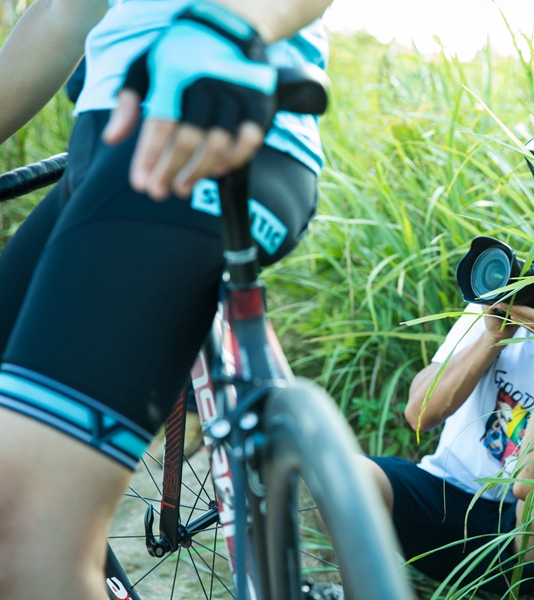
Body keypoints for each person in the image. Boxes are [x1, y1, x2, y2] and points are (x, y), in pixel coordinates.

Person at [0, 0, 332, 597]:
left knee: (19, 534)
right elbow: (63, 10)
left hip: (202, 126)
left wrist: (229, 26)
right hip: (107, 138)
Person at [363, 244, 534, 598]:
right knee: (352, 477)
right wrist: (491, 336)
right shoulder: (494, 308)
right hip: (443, 496)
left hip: (521, 540)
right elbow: (419, 414)